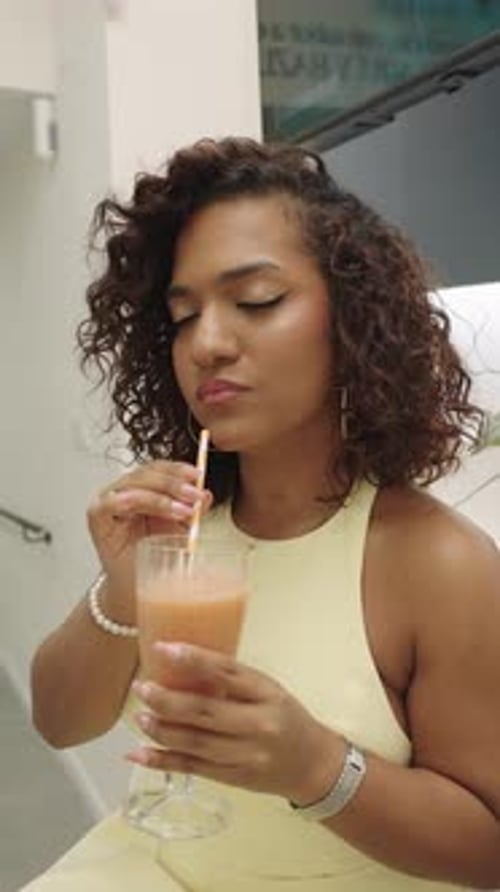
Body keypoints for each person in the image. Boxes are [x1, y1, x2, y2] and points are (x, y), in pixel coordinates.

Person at [25, 137, 500, 891]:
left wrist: (316, 766)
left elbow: (489, 849)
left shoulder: (435, 562)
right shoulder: (180, 527)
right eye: (183, 316)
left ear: (353, 318)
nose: (206, 344)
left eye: (256, 301)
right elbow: (58, 721)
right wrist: (121, 587)